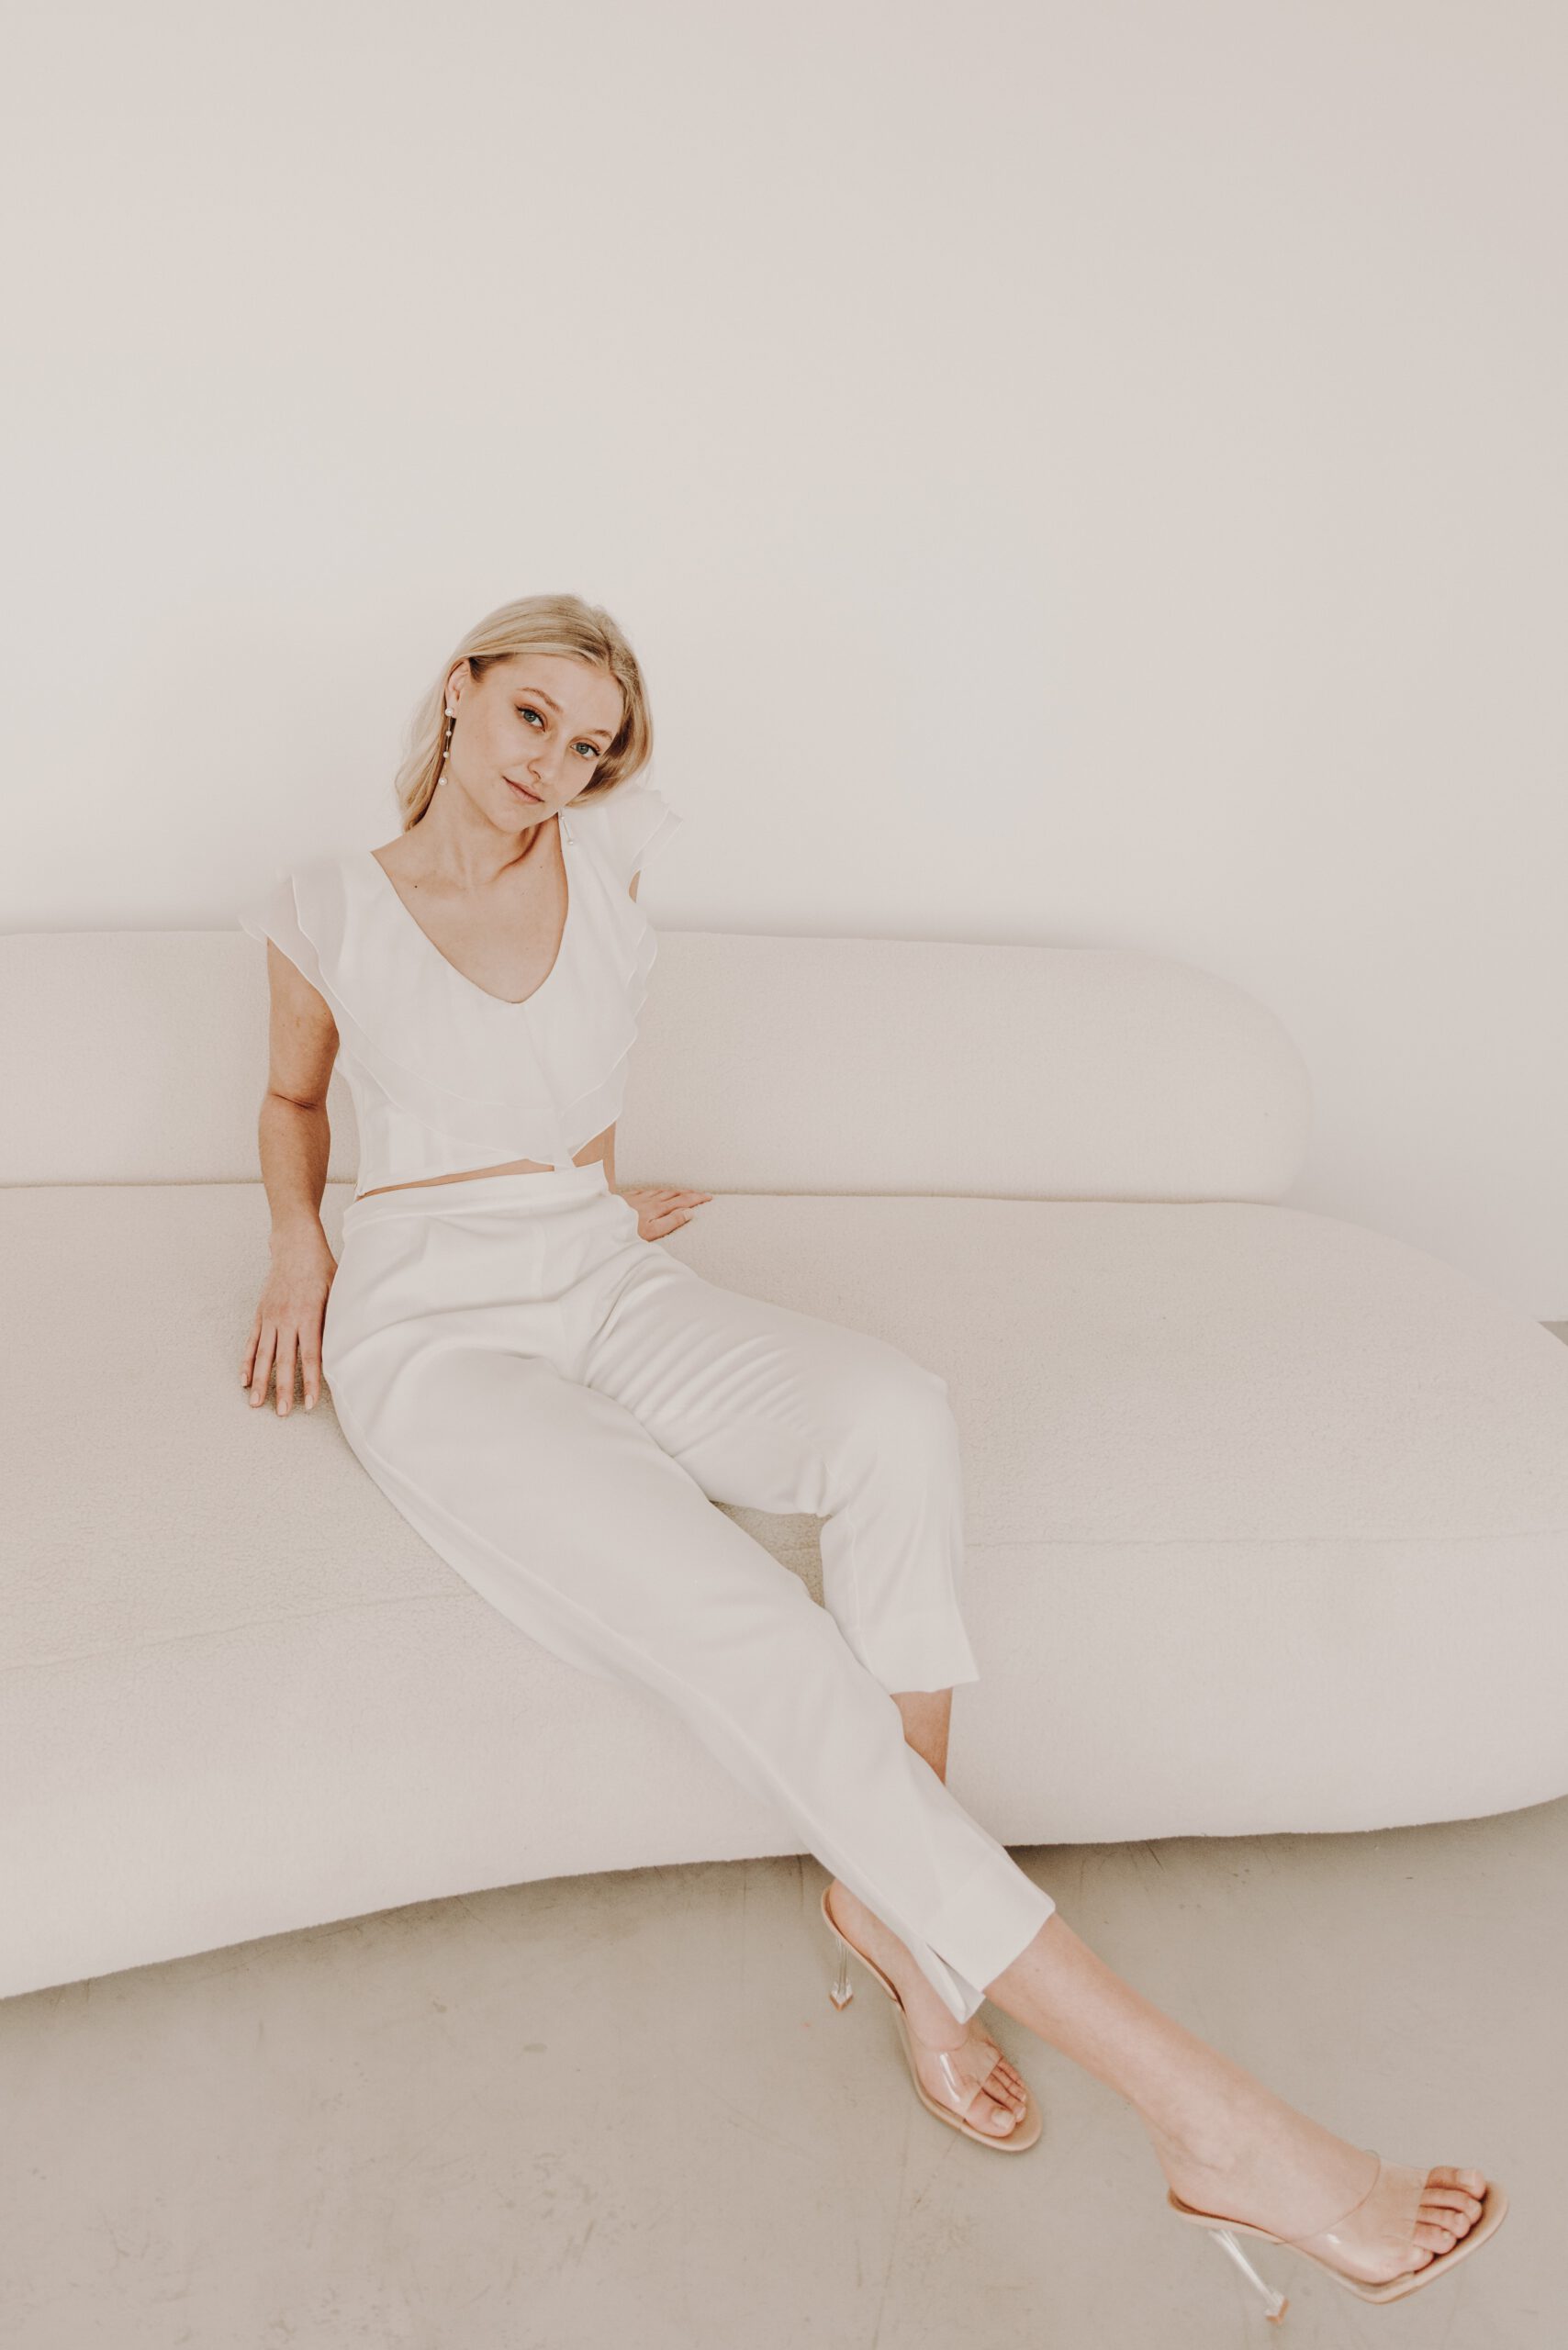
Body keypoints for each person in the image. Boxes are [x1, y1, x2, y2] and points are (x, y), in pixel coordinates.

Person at [238, 592, 1504, 2311]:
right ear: (460, 693)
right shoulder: (327, 900)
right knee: (765, 1641)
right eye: (533, 716)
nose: (556, 765)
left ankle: (897, 1915)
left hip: (594, 1272)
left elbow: (564, 1089)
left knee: (893, 1417)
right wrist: (298, 1244)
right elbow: (295, 1101)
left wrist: (581, 1200)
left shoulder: (608, 866)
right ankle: (1209, 2119)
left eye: (590, 745)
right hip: (435, 1338)